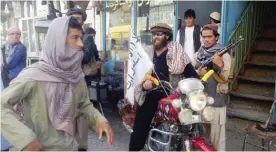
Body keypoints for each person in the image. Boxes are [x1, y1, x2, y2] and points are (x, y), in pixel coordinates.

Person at [1, 17, 114, 151]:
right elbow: (2, 106)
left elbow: (83, 104)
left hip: (68, 146)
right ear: (58, 41)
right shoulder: (33, 76)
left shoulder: (75, 75)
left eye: (80, 38)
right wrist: (26, 140)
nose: (81, 44)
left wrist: (99, 121)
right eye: (75, 38)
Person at [129, 23, 199, 151]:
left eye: (159, 34)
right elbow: (138, 76)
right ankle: (135, 148)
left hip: (175, 94)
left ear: (167, 36)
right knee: (141, 122)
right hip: (154, 94)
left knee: (193, 120)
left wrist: (198, 85)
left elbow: (190, 72)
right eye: (154, 34)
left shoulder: (176, 52)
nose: (155, 37)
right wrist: (145, 85)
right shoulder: (147, 53)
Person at [67, 8, 100, 151]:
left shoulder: (86, 38)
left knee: (81, 113)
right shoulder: (63, 36)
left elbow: (86, 57)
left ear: (83, 21)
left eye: (78, 18)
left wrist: (70, 51)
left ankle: (82, 146)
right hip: (64, 79)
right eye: (72, 17)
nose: (75, 20)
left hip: (80, 79)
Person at [194, 24, 231, 151]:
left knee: (217, 142)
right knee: (201, 140)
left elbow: (227, 78)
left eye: (209, 36)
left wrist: (220, 64)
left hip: (216, 102)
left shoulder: (224, 53)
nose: (206, 39)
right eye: (204, 37)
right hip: (201, 103)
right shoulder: (199, 53)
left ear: (216, 37)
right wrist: (198, 73)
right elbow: (191, 73)